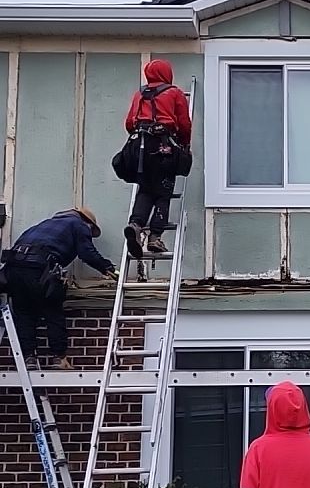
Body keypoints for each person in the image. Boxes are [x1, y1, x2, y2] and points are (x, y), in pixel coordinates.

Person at [3, 208, 117, 370]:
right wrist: (109, 269)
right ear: (88, 223)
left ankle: (29, 358)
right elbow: (87, 253)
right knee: (52, 310)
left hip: (13, 270)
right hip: (39, 269)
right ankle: (59, 358)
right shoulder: (79, 224)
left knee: (24, 313)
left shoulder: (38, 226)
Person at [123, 59, 192, 260]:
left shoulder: (139, 94)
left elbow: (129, 124)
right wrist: (184, 145)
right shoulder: (174, 93)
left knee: (145, 189)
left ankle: (135, 225)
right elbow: (184, 124)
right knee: (164, 191)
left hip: (140, 149)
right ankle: (155, 236)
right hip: (164, 147)